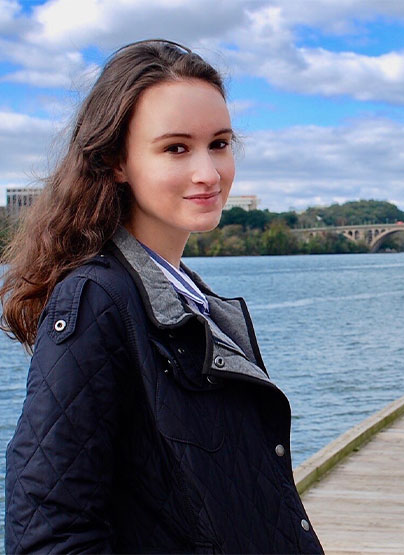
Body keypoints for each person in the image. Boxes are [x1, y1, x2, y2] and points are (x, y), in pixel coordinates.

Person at [1, 39, 323, 554]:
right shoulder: (95, 301)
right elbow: (49, 532)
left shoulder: (194, 299)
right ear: (116, 162)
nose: (209, 173)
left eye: (219, 143)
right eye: (176, 148)